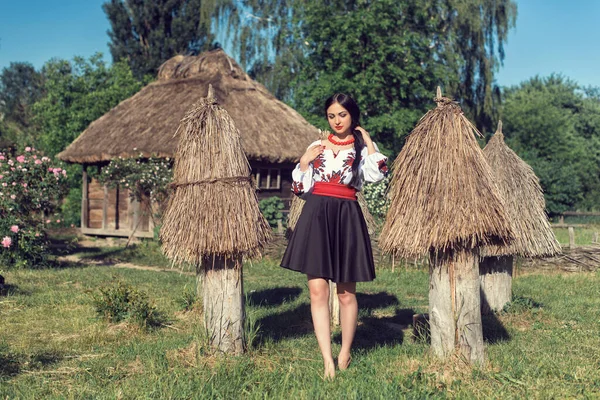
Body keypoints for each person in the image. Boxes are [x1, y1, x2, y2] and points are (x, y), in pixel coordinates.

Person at [281, 93, 388, 379]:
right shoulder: (316, 146)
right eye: (331, 115)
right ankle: (327, 359)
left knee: (345, 292)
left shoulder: (362, 149)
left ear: (352, 115)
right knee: (317, 290)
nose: (337, 120)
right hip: (316, 215)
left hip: (347, 217)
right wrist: (305, 161)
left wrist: (367, 141)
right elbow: (300, 188)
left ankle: (345, 352)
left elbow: (377, 175)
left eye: (342, 114)